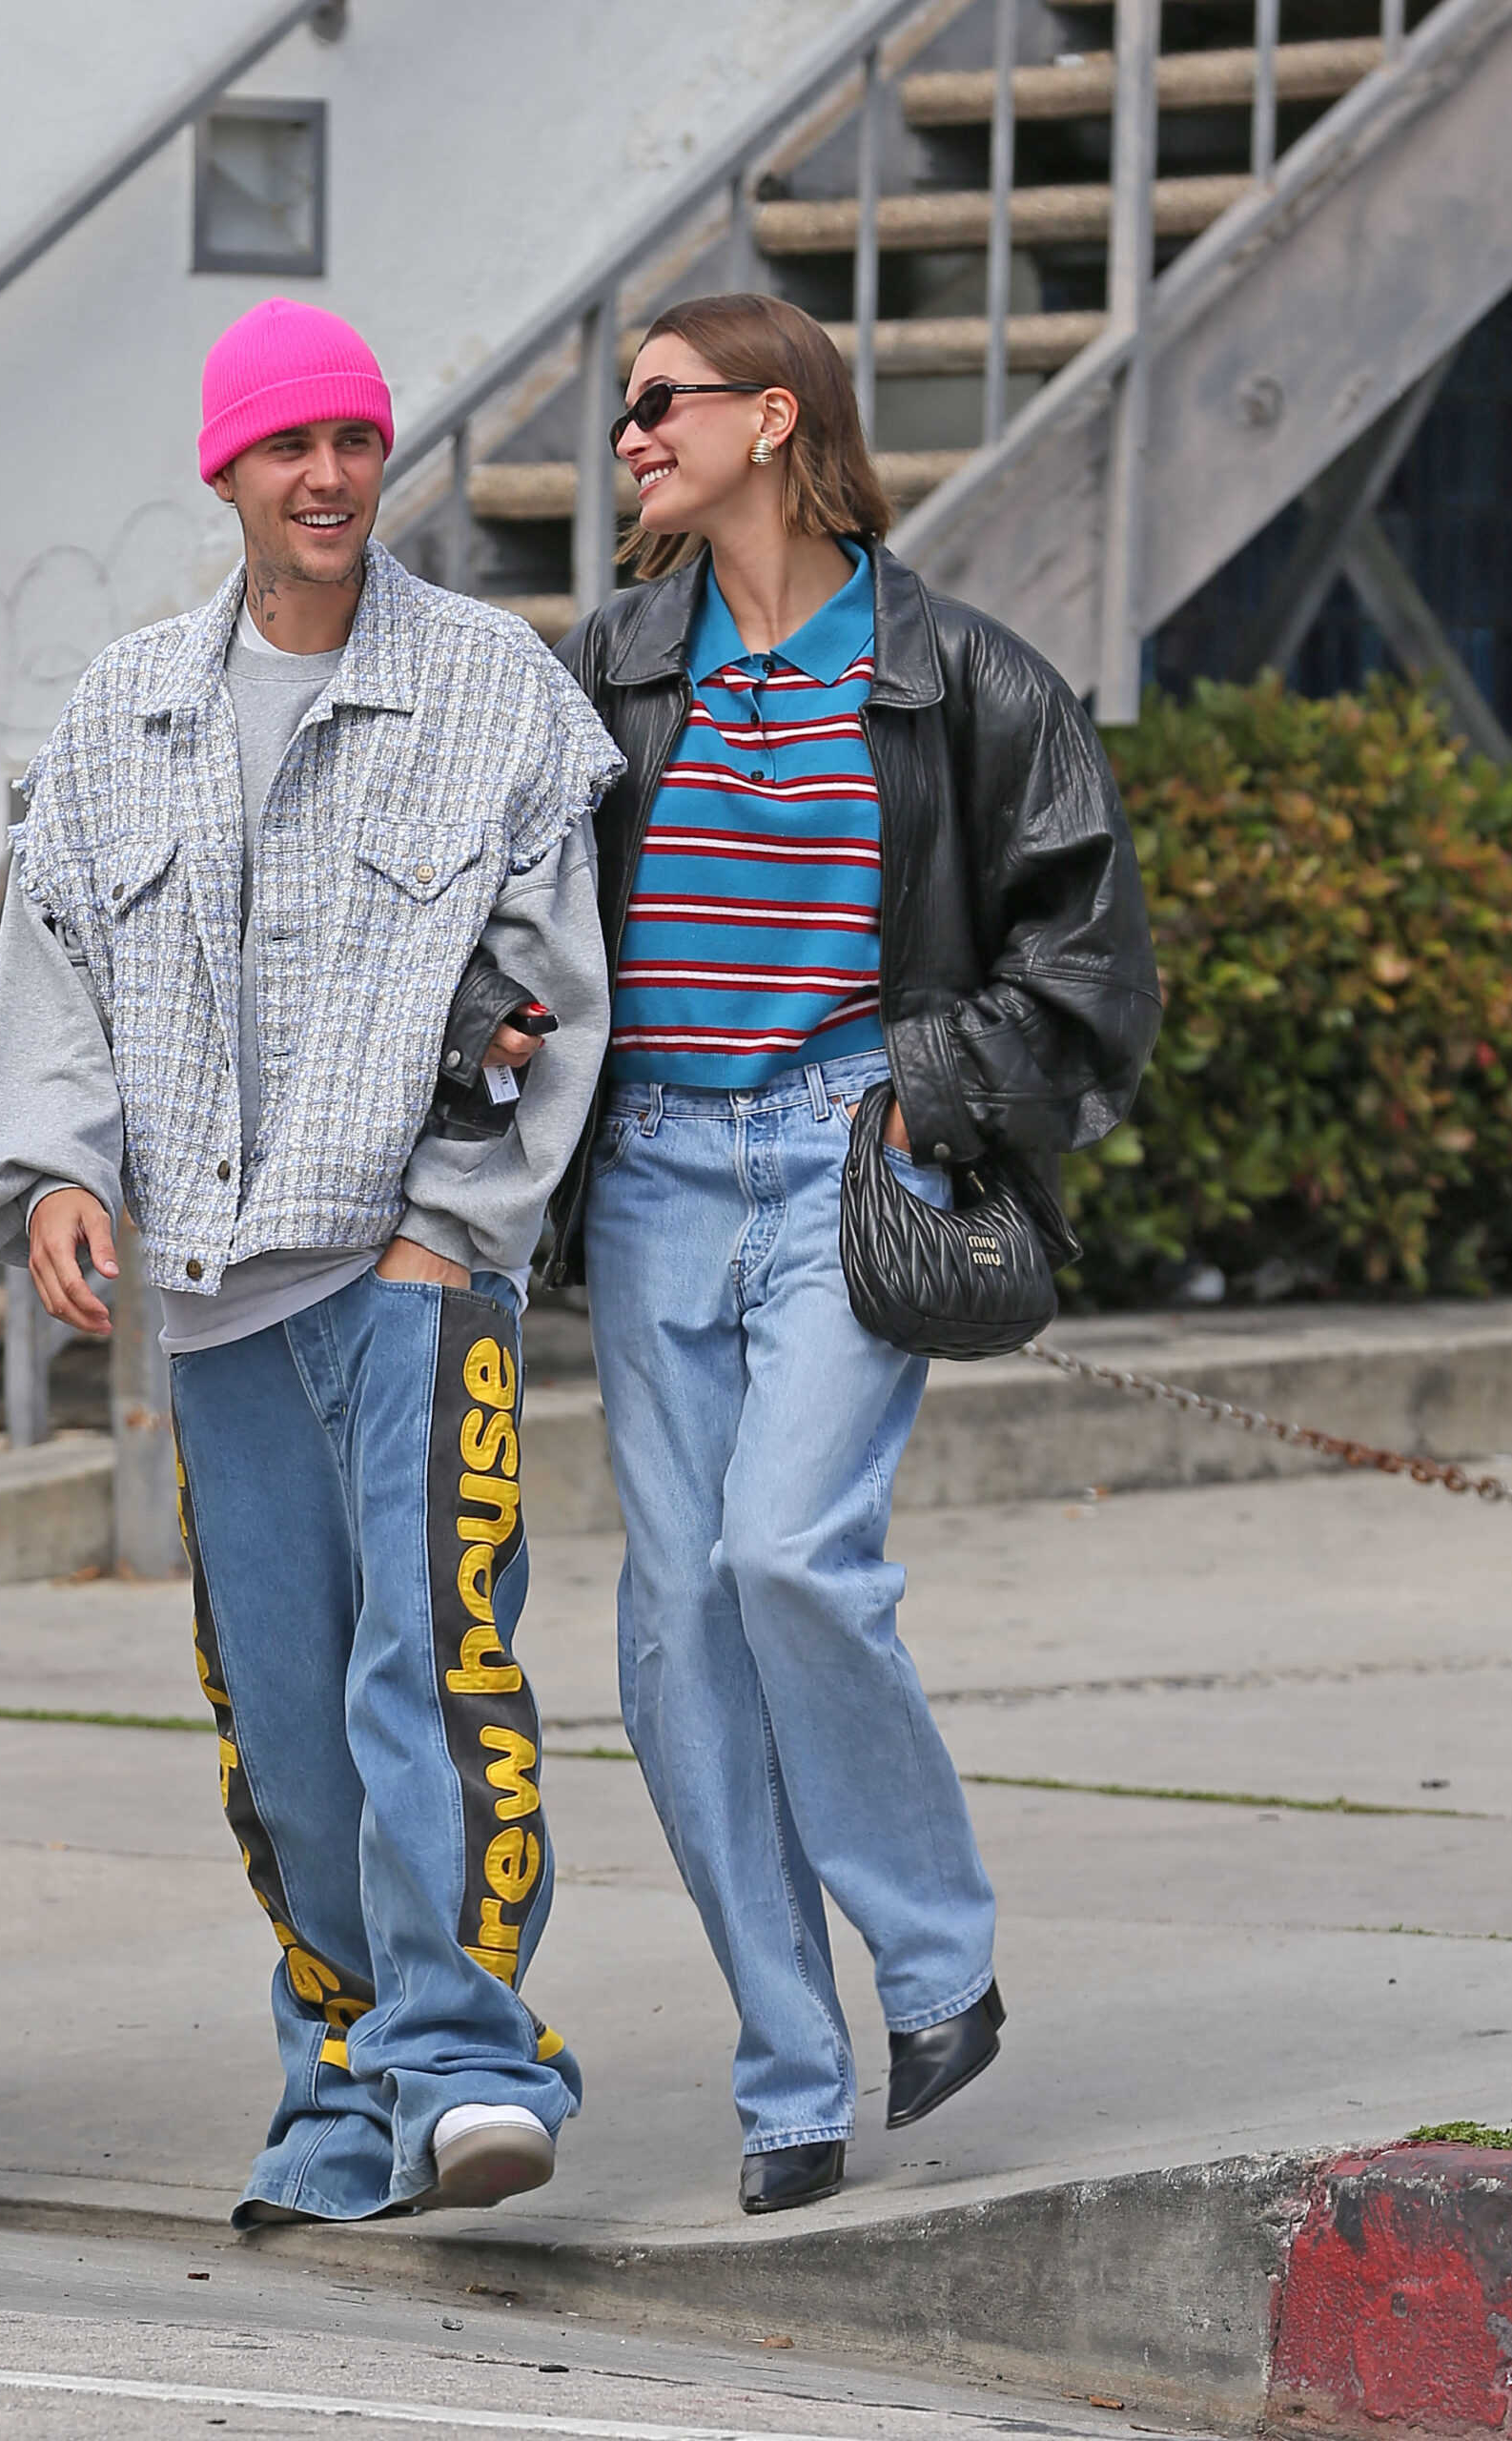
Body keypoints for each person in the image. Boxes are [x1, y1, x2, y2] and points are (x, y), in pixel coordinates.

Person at [0, 297, 622, 2226]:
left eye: (353, 441)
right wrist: (58, 1171)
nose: (328, 477)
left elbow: (546, 987)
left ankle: (472, 2060)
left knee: (433, 1666)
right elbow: (56, 962)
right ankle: (339, 2078)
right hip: (217, 1301)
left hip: (404, 1269)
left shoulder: (492, 692)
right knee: (277, 1705)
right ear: (227, 472)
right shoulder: (126, 709)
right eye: (288, 448)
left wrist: (451, 1230)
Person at [547, 293, 1159, 2216]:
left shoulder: (963, 681)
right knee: (678, 1626)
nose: (631, 434)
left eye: (660, 403)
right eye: (624, 411)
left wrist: (925, 1086)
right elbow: (516, 910)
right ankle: (787, 2071)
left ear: (773, 415)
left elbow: (1091, 977)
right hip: (651, 1172)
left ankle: (933, 1954)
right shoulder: (613, 670)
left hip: (837, 1164)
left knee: (786, 1549)